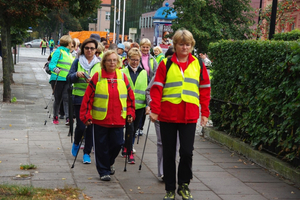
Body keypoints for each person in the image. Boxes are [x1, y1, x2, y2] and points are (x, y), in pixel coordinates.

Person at [149, 29, 211, 200]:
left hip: (189, 116)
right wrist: (155, 109)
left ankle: (183, 185)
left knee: (186, 152)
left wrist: (204, 113)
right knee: (169, 153)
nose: (185, 47)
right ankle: (170, 188)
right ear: (175, 45)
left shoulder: (198, 64)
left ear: (192, 46)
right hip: (168, 115)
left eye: (188, 44)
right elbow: (157, 88)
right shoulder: (165, 64)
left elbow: (205, 90)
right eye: (181, 44)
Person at [80, 50, 135, 181]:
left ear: (118, 62)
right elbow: (87, 99)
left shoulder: (122, 77)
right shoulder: (97, 77)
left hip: (118, 119)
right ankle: (103, 171)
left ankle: (109, 163)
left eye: (114, 60)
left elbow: (130, 98)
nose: (112, 62)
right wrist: (86, 116)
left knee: (117, 144)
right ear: (104, 62)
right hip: (100, 119)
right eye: (109, 60)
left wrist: (131, 113)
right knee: (101, 147)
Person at [67, 38, 100, 164]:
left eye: (92, 48)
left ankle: (87, 153)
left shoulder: (99, 63)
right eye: (87, 48)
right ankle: (76, 143)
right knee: (81, 126)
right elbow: (68, 78)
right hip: (80, 97)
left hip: (94, 98)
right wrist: (76, 75)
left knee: (90, 127)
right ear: (83, 49)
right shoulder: (77, 62)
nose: (89, 50)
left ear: (96, 50)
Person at [121, 48, 149, 164]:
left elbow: (147, 90)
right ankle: (129, 152)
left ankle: (127, 146)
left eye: (137, 60)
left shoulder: (143, 73)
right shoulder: (122, 72)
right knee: (129, 128)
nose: (135, 62)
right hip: (127, 106)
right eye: (132, 59)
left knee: (134, 130)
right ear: (128, 59)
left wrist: (148, 105)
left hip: (140, 107)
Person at [49, 35, 74, 125]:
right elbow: (51, 65)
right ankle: (55, 116)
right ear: (68, 43)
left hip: (67, 79)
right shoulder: (59, 51)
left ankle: (68, 118)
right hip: (57, 79)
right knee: (58, 99)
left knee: (66, 98)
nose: (72, 44)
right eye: (71, 42)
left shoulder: (69, 53)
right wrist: (57, 70)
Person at [137, 38, 158, 136]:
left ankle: (141, 127)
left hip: (148, 85)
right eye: (143, 47)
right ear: (140, 47)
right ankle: (136, 126)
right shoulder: (137, 57)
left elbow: (156, 72)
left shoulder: (152, 59)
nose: (145, 49)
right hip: (138, 85)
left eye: (147, 47)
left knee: (146, 107)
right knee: (139, 106)